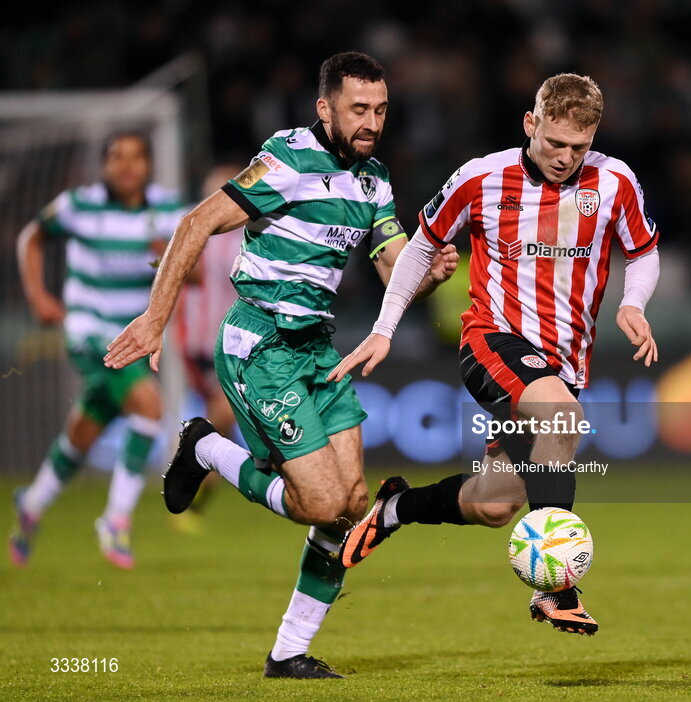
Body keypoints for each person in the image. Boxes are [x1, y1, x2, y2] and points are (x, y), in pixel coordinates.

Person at [103, 51, 458, 678]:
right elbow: (197, 223)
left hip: (320, 349)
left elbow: (393, 271)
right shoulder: (289, 158)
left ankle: (288, 653)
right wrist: (156, 317)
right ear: (325, 108)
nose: (371, 120)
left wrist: (429, 272)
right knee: (320, 504)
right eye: (358, 109)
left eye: (379, 109)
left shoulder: (373, 181)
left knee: (350, 504)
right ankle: (206, 449)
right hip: (262, 344)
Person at [334, 73, 661, 636]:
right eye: (555, 143)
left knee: (493, 504)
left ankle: (395, 508)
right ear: (530, 124)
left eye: (578, 148)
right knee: (562, 417)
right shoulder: (481, 178)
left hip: (565, 363)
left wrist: (633, 302)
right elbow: (419, 250)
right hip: (493, 340)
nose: (565, 158)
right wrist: (385, 327)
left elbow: (645, 251)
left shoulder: (614, 181)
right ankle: (557, 591)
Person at [10, 132, 183, 570]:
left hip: (133, 338)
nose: (126, 166)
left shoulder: (169, 211)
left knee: (85, 430)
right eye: (116, 157)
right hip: (87, 331)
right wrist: (37, 295)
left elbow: (191, 277)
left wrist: (165, 260)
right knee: (148, 407)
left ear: (148, 164)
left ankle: (31, 505)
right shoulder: (78, 205)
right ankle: (116, 518)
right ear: (104, 165)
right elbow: (30, 236)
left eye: (135, 157)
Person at [170, 165, 245, 531]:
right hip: (201, 342)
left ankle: (195, 495)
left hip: (232, 342)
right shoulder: (193, 231)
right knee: (225, 413)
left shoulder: (250, 235)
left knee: (224, 426)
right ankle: (193, 461)